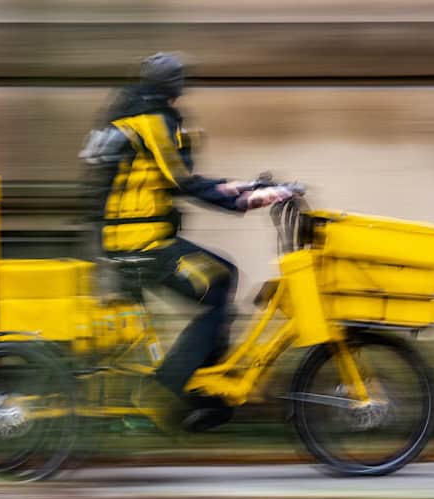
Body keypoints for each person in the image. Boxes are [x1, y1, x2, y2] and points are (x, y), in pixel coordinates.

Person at [80, 52, 293, 432]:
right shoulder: (152, 121)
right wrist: (247, 199)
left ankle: (206, 390)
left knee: (223, 275)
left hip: (130, 238)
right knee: (218, 284)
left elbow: (181, 179)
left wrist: (251, 188)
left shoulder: (134, 113)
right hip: (140, 243)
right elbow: (182, 181)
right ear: (173, 87)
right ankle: (162, 392)